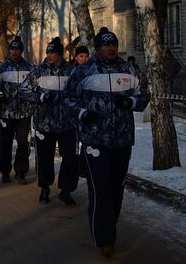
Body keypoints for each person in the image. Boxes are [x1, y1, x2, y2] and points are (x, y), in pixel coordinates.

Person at [64, 27, 149, 258]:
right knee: (100, 189)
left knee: (116, 188)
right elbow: (67, 99)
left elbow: (144, 96)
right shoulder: (84, 72)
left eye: (114, 44)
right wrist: (82, 114)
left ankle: (108, 226)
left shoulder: (128, 69)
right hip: (94, 140)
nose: (111, 48)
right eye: (106, 44)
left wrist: (129, 103)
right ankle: (105, 239)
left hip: (122, 140)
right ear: (98, 47)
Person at [21, 37, 78, 205]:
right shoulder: (38, 71)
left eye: (52, 52)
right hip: (44, 123)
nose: (49, 55)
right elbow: (23, 91)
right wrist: (40, 97)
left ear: (60, 54)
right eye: (48, 52)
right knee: (45, 158)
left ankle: (66, 190)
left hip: (68, 123)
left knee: (70, 158)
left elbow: (80, 92)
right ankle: (45, 187)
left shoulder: (71, 71)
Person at [0, 36, 33, 184]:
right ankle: (5, 171)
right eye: (12, 49)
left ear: (21, 51)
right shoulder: (2, 68)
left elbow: (36, 87)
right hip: (6, 113)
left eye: (17, 49)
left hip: (24, 114)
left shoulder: (30, 68)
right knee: (4, 144)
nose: (14, 52)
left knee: (23, 144)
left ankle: (21, 172)